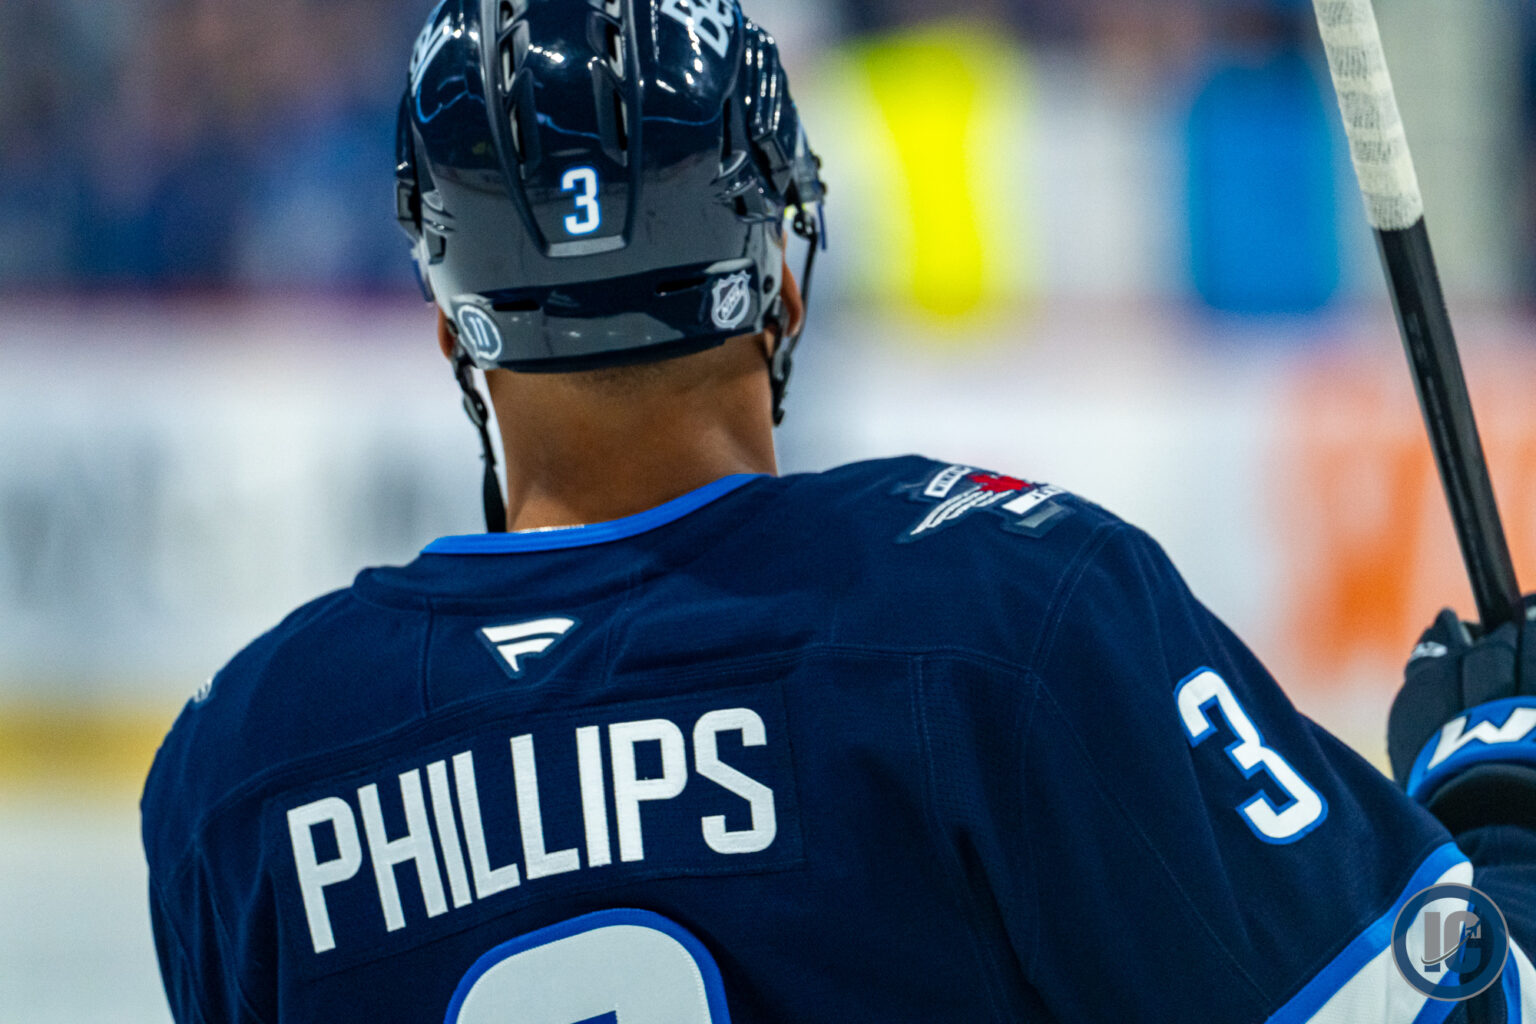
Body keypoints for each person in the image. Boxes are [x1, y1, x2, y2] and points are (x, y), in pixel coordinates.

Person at [141, 1, 1536, 1021]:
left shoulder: (238, 773)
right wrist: (1500, 801)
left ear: (453, 327)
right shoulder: (1011, 620)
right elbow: (1453, 1009)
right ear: (786, 277)